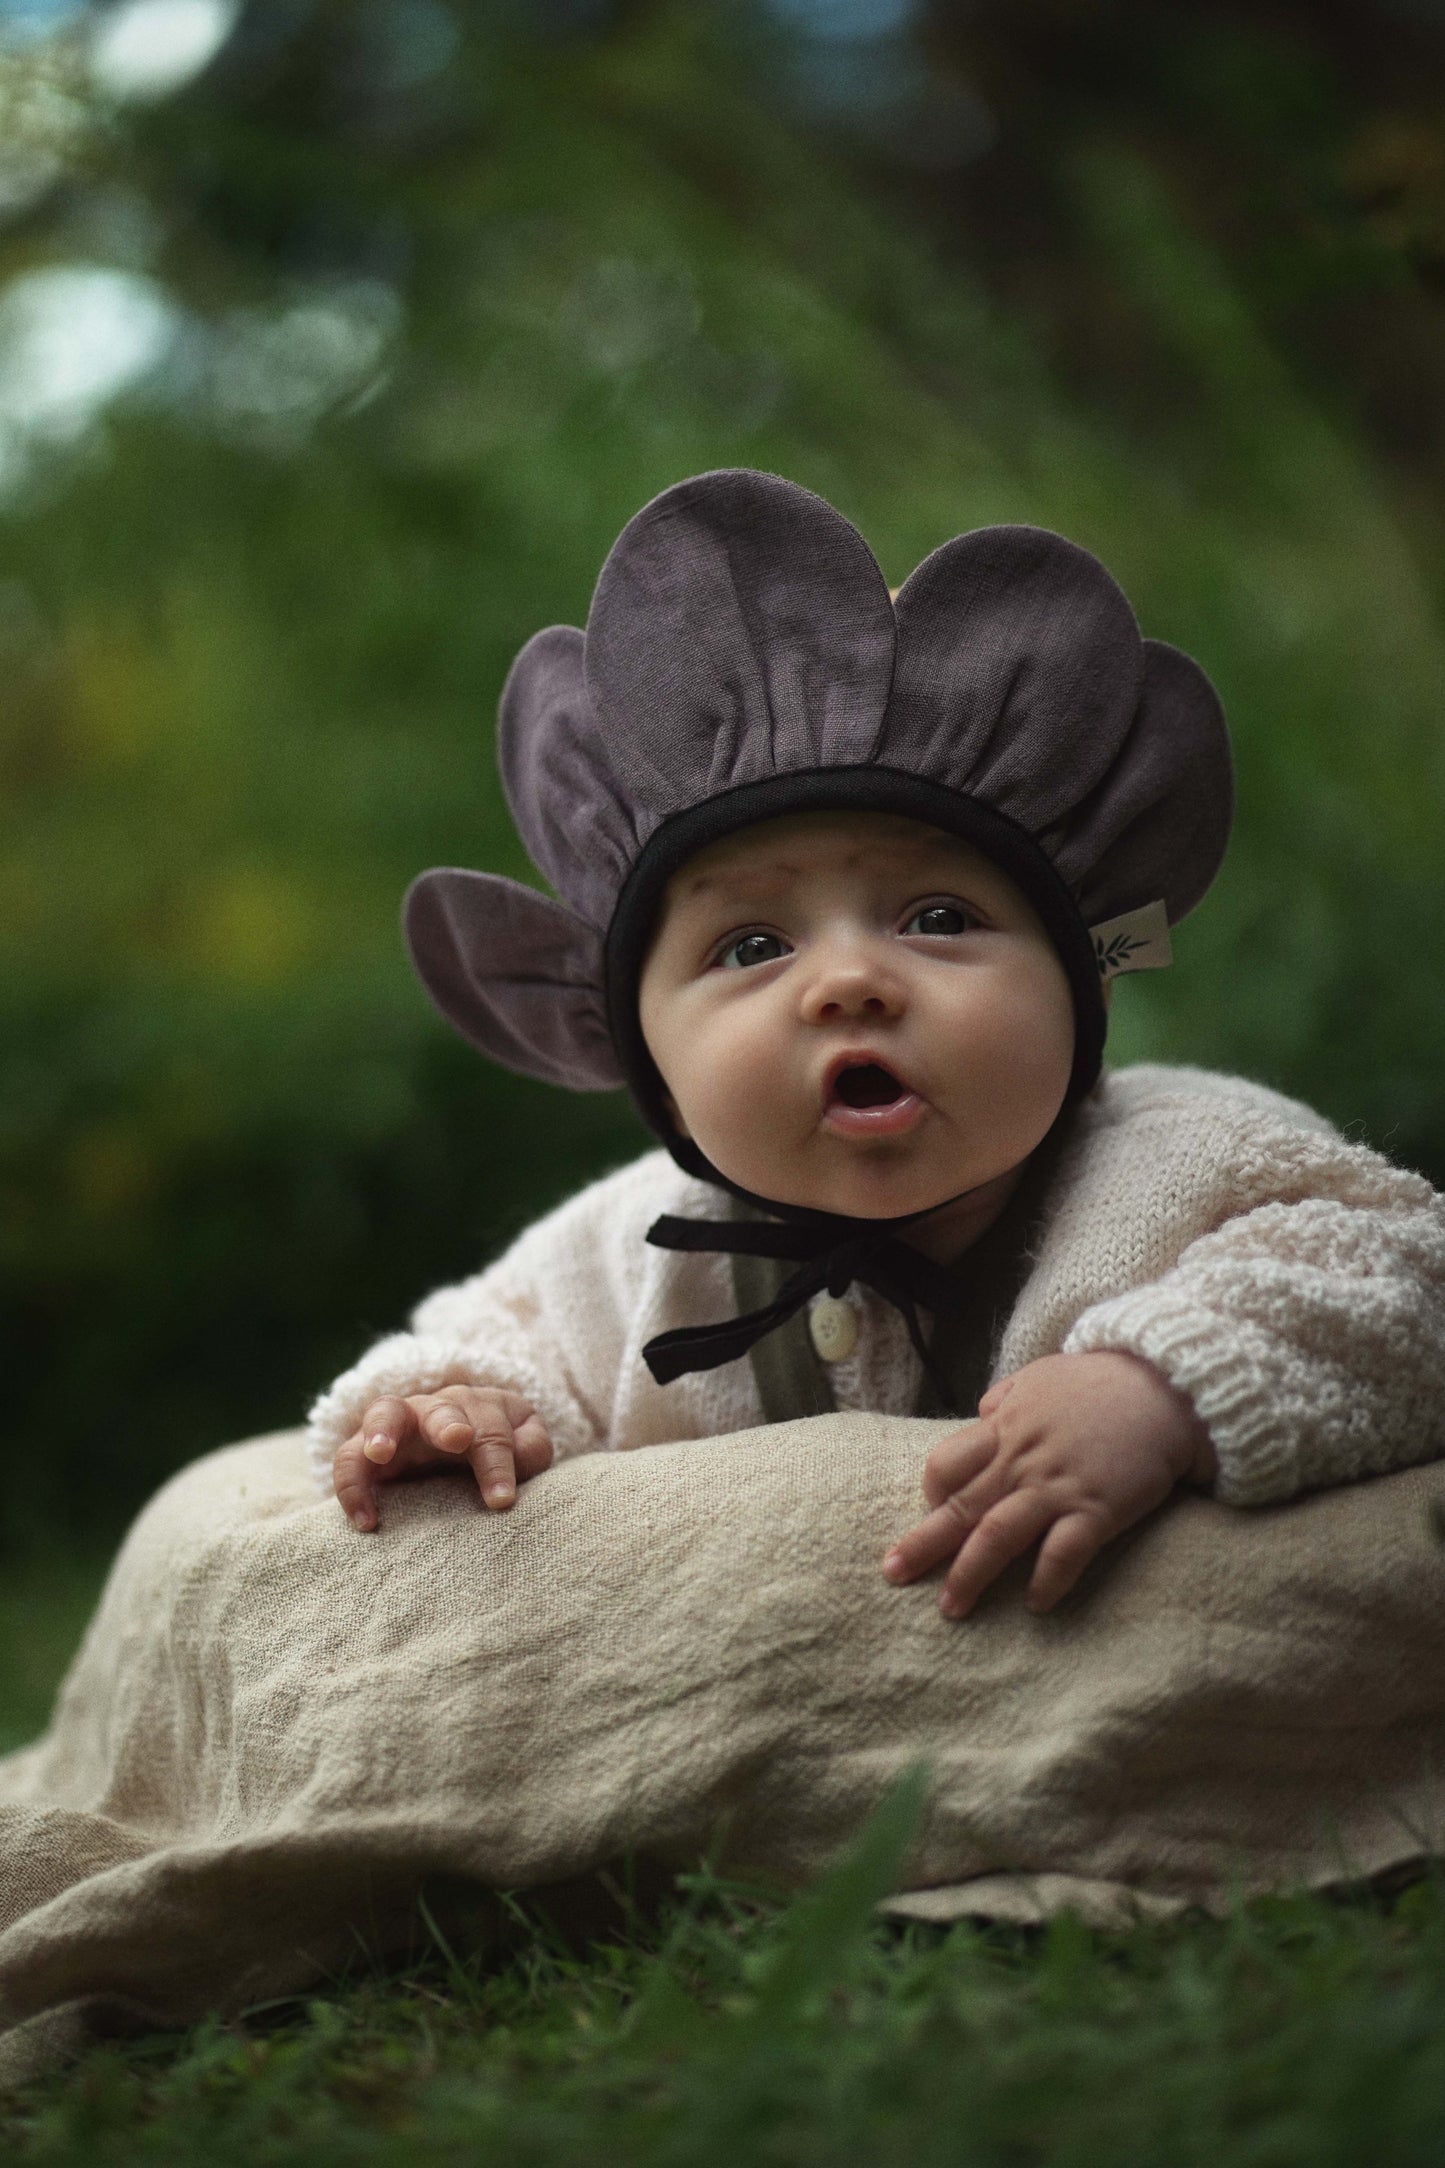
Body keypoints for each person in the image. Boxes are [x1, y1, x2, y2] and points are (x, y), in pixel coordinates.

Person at [306, 470, 1445, 1619]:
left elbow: (1403, 1284)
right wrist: (455, 1405)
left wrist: (1158, 1383)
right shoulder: (634, 1249)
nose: (847, 980)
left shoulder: (1178, 1162)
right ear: (640, 1050)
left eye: (937, 920)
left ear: (1077, 976)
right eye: (750, 944)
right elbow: (484, 1338)